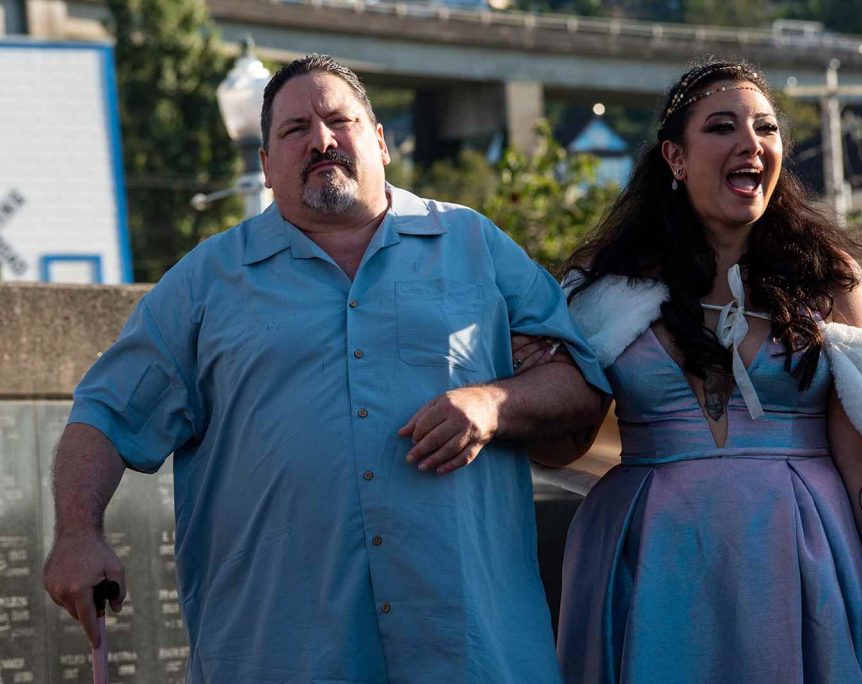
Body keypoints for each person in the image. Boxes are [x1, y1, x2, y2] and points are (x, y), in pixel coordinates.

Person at [41, 55, 608, 683]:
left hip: (472, 652)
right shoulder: (204, 284)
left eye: (340, 120)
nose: (321, 140)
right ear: (264, 164)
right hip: (281, 656)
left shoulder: (477, 246)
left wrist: (494, 404)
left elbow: (582, 386)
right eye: (294, 130)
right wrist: (76, 533)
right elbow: (105, 414)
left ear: (381, 142)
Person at [531, 60, 862, 682]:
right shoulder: (603, 290)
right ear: (675, 156)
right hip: (651, 553)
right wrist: (524, 373)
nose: (751, 143)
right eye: (722, 127)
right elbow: (565, 437)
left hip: (805, 552)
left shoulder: (829, 280)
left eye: (766, 129)